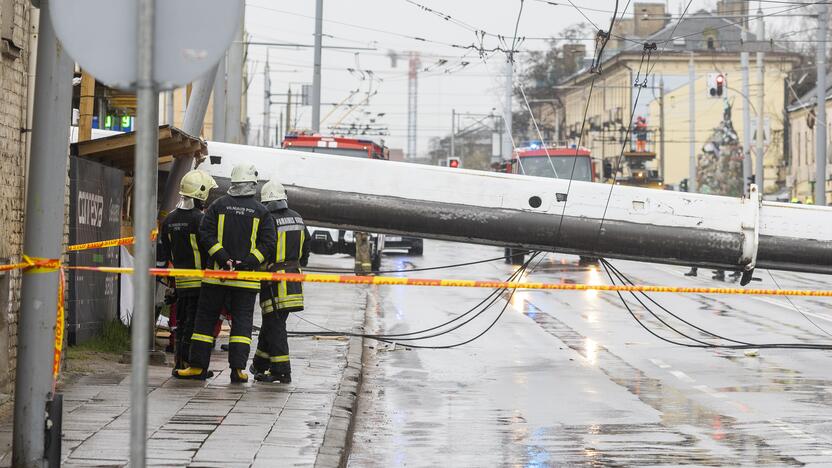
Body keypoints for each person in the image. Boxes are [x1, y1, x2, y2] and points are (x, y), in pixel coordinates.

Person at [174, 163, 276, 382]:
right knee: (242, 325)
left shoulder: (218, 206)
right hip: (246, 280)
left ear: (233, 183)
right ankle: (238, 370)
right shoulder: (261, 211)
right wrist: (247, 263)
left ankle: (197, 367)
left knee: (204, 322)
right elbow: (268, 243)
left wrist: (223, 258)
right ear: (252, 185)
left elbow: (205, 234)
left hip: (216, 277)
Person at [156, 170, 217, 370]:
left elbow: (165, 250)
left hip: (180, 282)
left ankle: (180, 362)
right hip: (201, 282)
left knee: (181, 323)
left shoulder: (170, 220)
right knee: (196, 325)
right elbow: (209, 248)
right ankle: (191, 364)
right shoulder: (201, 219)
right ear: (201, 194)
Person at [251, 180, 310, 384]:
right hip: (293, 279)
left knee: (275, 327)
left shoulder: (268, 220)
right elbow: (306, 251)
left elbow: (263, 249)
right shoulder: (298, 217)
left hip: (273, 281)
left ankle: (282, 371)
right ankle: (260, 364)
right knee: (272, 324)